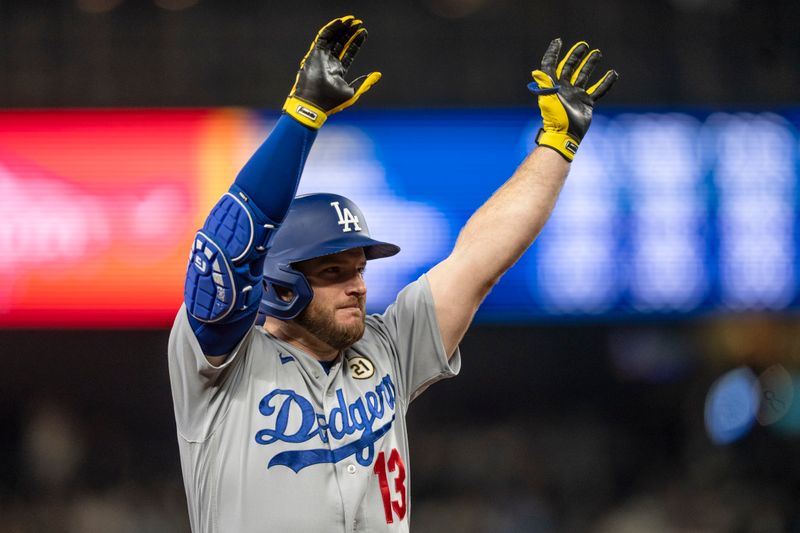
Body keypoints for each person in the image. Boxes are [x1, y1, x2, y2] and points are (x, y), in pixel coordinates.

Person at [168, 15, 617, 533]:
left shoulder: (385, 350)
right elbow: (226, 251)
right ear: (280, 282)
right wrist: (303, 115)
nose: (357, 284)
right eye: (334, 270)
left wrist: (556, 146)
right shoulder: (219, 366)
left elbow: (478, 262)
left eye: (359, 268)